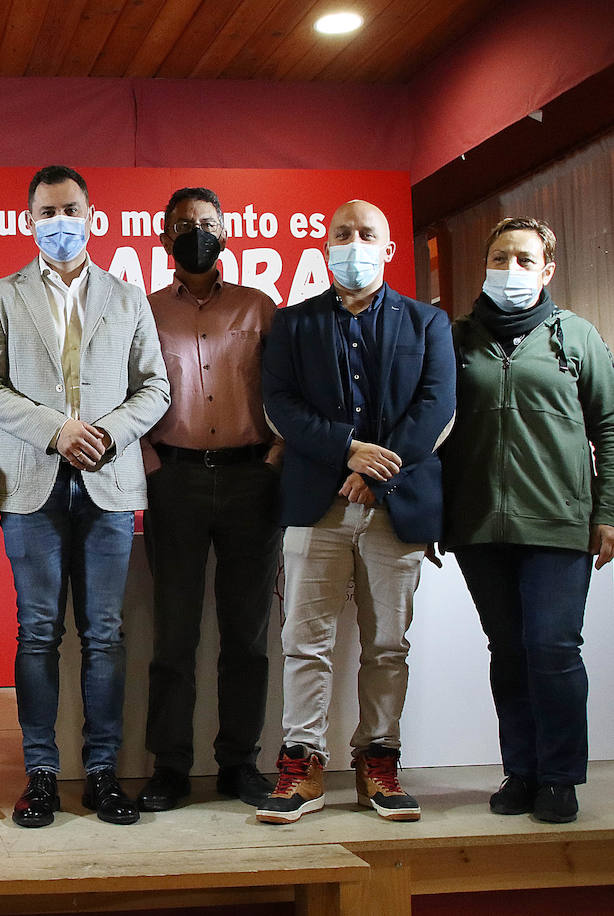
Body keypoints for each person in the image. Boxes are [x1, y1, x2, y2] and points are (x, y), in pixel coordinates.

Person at [0, 165, 170, 828]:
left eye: (70, 209)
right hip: (31, 484)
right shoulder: (2, 294)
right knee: (38, 633)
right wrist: (57, 430)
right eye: (47, 211)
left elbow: (155, 389)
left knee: (105, 636)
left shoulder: (127, 296)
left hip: (110, 483)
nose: (60, 222)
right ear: (30, 220)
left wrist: (106, 432)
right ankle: (43, 774)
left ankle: (104, 772)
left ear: (91, 213)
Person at [256, 199, 455, 825]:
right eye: (342, 233)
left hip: (396, 507)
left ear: (388, 249)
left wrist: (380, 467)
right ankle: (302, 764)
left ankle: (378, 761)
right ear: (323, 247)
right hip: (318, 503)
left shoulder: (429, 325)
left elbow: (438, 406)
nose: (353, 242)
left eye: (366, 233)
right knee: (303, 642)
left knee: (387, 645)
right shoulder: (292, 324)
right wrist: (348, 451)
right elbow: (280, 406)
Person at [442, 217, 614, 824]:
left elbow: (609, 426)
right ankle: (523, 771)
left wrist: (609, 510)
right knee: (508, 649)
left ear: (547, 270)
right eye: (498, 257)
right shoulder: (455, 339)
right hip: (479, 524)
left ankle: (562, 777)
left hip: (559, 521)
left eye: (522, 259)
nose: (508, 269)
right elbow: (429, 430)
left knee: (552, 647)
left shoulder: (577, 337)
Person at [137, 187, 279, 812]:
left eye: (208, 224)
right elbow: (126, 390)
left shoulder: (260, 307)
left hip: (253, 479)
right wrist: (151, 467)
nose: (197, 232)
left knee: (246, 634)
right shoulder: (144, 310)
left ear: (226, 232)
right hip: (177, 479)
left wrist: (276, 456)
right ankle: (169, 765)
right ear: (165, 235)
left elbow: (287, 390)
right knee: (175, 633)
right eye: (185, 224)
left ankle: (238, 762)